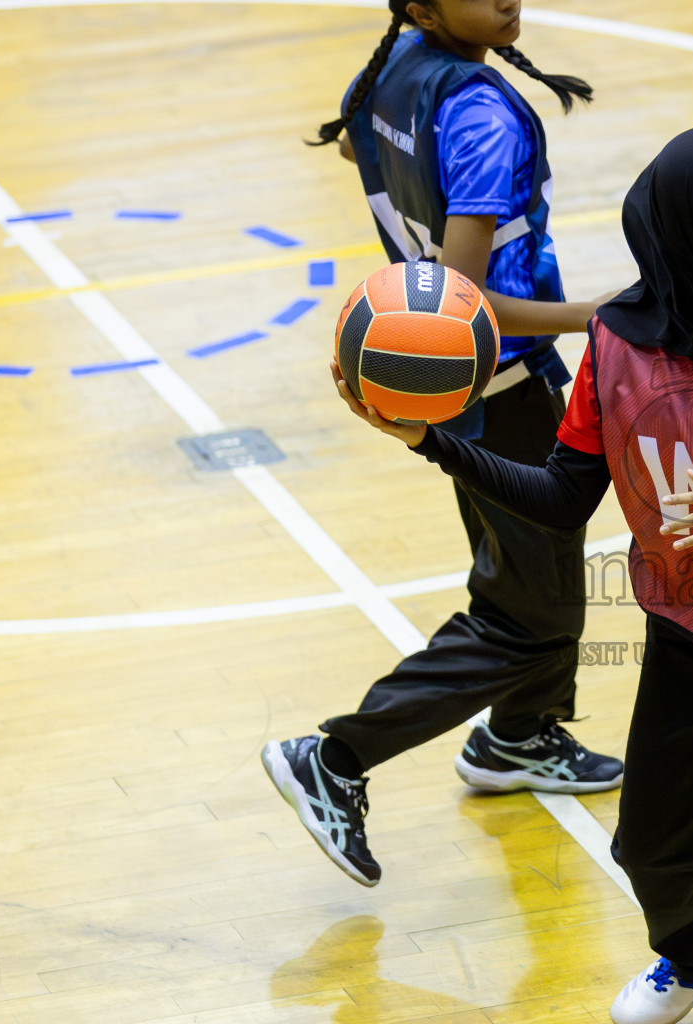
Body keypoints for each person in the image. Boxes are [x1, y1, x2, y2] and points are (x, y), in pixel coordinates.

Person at [336, 126, 693, 1024]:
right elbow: (565, 496)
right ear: (682, 238)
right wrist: (432, 441)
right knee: (649, 851)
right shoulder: (615, 345)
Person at [261, 0, 623, 889]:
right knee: (526, 616)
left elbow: (358, 143)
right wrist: (612, 320)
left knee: (534, 580)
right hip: (501, 388)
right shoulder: (480, 112)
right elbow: (460, 317)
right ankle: (335, 758)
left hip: (474, 398)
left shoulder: (395, 66)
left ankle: (519, 736)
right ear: (420, 4)